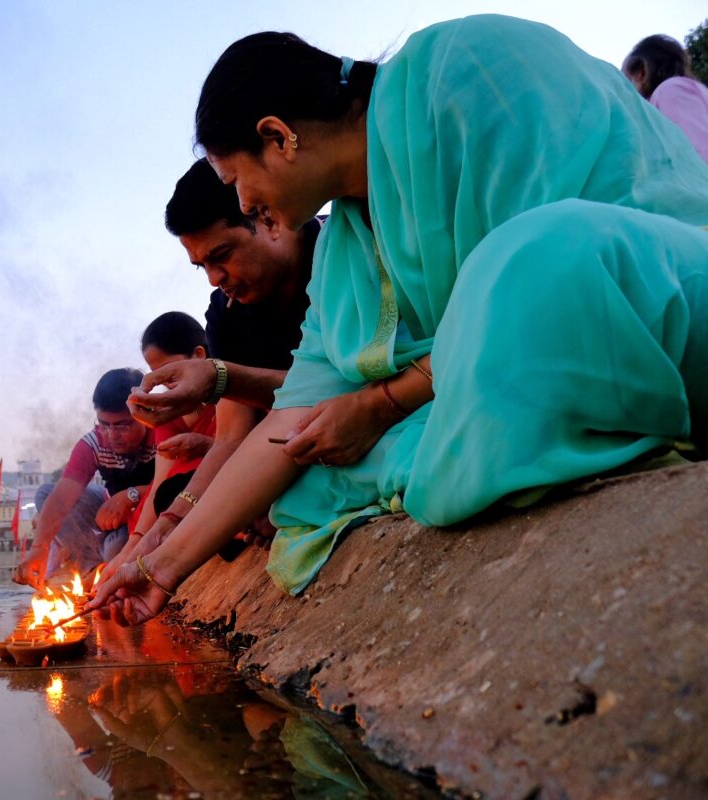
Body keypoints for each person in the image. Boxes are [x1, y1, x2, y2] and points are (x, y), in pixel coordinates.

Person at [90, 14, 708, 625]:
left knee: (529, 260)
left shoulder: (469, 66)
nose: (245, 203)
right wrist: (161, 568)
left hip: (643, 290)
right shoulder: (343, 250)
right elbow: (291, 418)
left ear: (278, 137)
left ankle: (467, 445)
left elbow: (533, 290)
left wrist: (381, 405)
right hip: (502, 376)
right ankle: (478, 443)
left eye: (236, 181)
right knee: (300, 485)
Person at [116, 160, 322, 571]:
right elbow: (231, 437)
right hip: (283, 455)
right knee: (194, 499)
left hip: (358, 429)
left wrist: (218, 378)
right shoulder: (227, 312)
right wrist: (167, 526)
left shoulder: (340, 253)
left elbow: (345, 385)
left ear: (266, 216)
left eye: (221, 255)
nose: (214, 279)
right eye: (201, 266)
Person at [13, 368, 156, 587]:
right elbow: (61, 499)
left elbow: (181, 484)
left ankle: (108, 557)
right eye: (104, 424)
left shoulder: (162, 433)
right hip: (109, 509)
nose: (112, 435)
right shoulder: (93, 443)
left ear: (143, 413)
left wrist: (131, 495)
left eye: (122, 425)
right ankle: (88, 566)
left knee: (114, 549)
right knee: (47, 493)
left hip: (151, 514)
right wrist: (38, 549)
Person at [108, 312, 217, 574]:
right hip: (173, 505)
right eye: (157, 375)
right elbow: (160, 482)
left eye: (170, 373)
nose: (164, 384)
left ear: (199, 355)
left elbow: (241, 448)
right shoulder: (168, 411)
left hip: (216, 495)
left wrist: (205, 445)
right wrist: (130, 550)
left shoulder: (229, 397)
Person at [623, 34, 708, 162]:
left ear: (641, 72)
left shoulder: (671, 90)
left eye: (627, 80)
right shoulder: (683, 88)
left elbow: (696, 150)